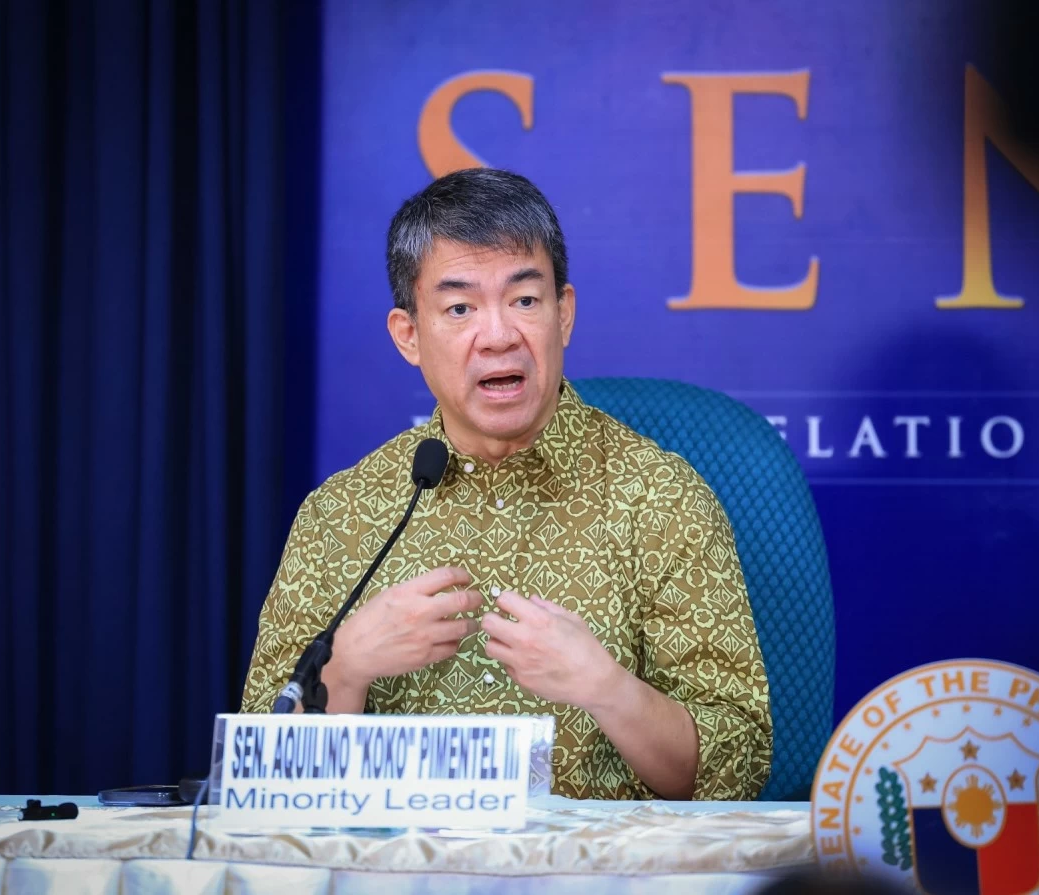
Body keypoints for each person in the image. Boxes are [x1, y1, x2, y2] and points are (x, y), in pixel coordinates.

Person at [241, 168, 772, 801]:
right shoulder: (341, 514)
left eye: (524, 300)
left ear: (563, 314)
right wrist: (348, 665)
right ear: (409, 335)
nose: (498, 336)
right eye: (460, 308)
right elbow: (261, 778)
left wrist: (608, 688)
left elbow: (737, 767)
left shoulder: (660, 497)